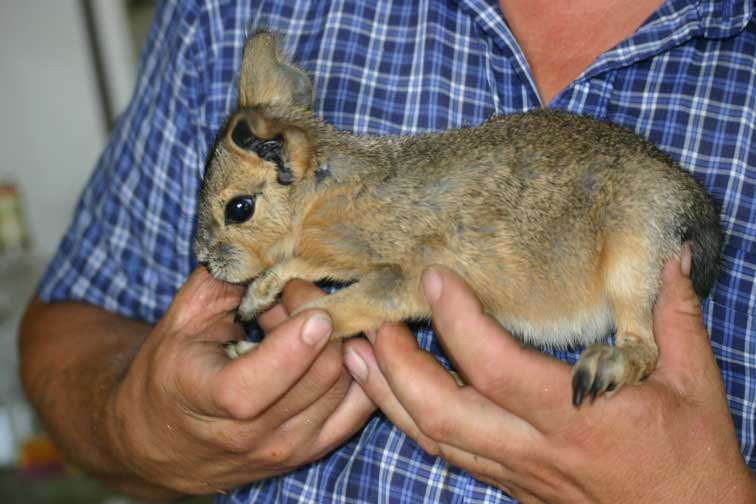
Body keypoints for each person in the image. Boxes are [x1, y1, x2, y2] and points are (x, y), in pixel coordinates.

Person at [19, 0, 756, 502]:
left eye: (240, 214)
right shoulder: (227, 10)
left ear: (293, 161)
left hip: (606, 238)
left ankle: (632, 343)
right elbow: (65, 329)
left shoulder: (372, 198)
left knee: (637, 212)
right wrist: (148, 426)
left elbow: (404, 281)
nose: (216, 252)